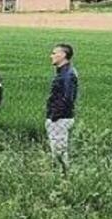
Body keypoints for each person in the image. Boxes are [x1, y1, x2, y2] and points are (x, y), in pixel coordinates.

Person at [46, 43, 79, 175]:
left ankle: (62, 178)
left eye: (54, 53)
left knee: (59, 151)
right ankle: (61, 176)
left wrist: (54, 115)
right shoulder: (65, 72)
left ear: (63, 55)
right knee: (58, 150)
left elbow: (67, 98)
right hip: (60, 117)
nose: (51, 56)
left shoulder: (67, 75)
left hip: (60, 118)